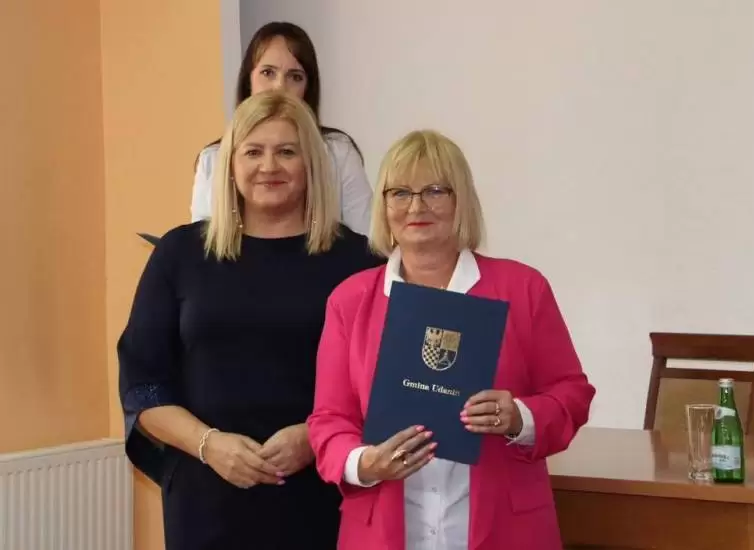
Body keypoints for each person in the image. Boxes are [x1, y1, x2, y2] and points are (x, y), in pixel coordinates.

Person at [118, 90, 384, 550]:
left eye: (287, 152)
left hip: (322, 499)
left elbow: (383, 383)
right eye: (253, 152)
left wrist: (315, 437)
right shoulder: (179, 254)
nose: (269, 166)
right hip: (205, 500)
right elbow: (143, 385)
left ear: (312, 163)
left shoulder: (359, 261)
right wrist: (209, 444)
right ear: (231, 164)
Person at [307, 129, 596, 549]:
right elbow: (329, 420)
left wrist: (519, 417)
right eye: (400, 192)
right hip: (383, 531)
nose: (416, 206)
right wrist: (365, 463)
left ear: (462, 200)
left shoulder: (522, 289)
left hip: (505, 530)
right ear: (383, 205)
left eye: (435, 191)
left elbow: (571, 393)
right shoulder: (350, 301)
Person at [191, 21, 373, 234]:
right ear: (248, 80)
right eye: (268, 73)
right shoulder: (213, 158)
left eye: (295, 77)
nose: (279, 86)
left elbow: (367, 239)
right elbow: (202, 243)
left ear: (307, 88)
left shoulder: (338, 153)